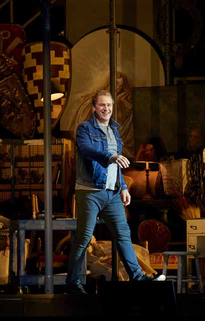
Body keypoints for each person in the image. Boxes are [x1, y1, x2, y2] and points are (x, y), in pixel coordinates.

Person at [65, 90, 164, 295]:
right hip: (90, 192)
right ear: (94, 108)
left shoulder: (114, 131)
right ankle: (73, 283)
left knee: (123, 235)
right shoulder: (85, 129)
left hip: (112, 193)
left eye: (109, 105)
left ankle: (137, 278)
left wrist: (124, 187)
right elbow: (86, 150)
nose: (106, 109)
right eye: (102, 105)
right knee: (84, 237)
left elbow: (116, 166)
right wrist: (110, 156)